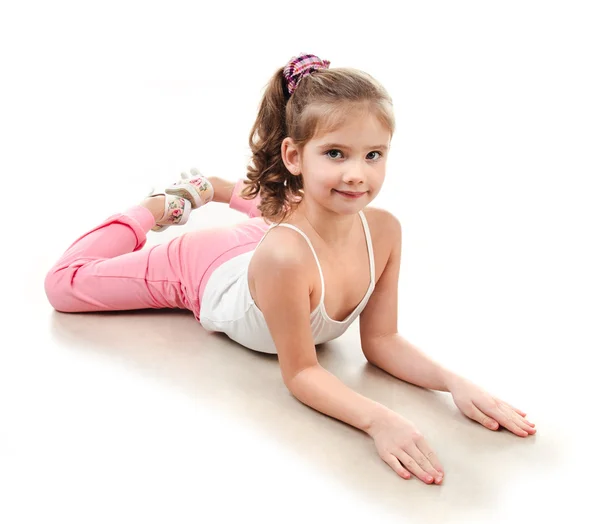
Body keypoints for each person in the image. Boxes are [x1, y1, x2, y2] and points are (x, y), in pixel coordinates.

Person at [44, 53, 536, 485]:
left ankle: (216, 185)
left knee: (296, 208)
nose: (356, 173)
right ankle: (166, 202)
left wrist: (455, 383)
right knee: (64, 285)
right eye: (336, 154)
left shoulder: (384, 230)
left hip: (278, 238)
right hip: (209, 268)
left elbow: (381, 342)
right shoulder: (284, 256)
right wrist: (378, 419)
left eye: (373, 155)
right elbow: (301, 372)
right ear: (294, 155)